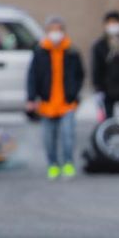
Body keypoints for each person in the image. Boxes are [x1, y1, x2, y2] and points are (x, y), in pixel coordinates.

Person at [26, 16, 84, 180]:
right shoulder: (40, 52)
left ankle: (68, 163)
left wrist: (74, 93)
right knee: (48, 139)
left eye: (58, 30)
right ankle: (52, 165)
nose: (55, 34)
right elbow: (32, 76)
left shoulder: (72, 52)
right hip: (47, 104)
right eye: (52, 30)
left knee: (68, 136)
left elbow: (80, 75)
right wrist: (31, 98)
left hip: (67, 103)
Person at [91, 10, 119, 119]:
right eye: (110, 23)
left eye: (116, 22)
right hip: (107, 90)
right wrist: (98, 89)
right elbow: (96, 69)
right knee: (108, 121)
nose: (113, 26)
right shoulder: (100, 46)